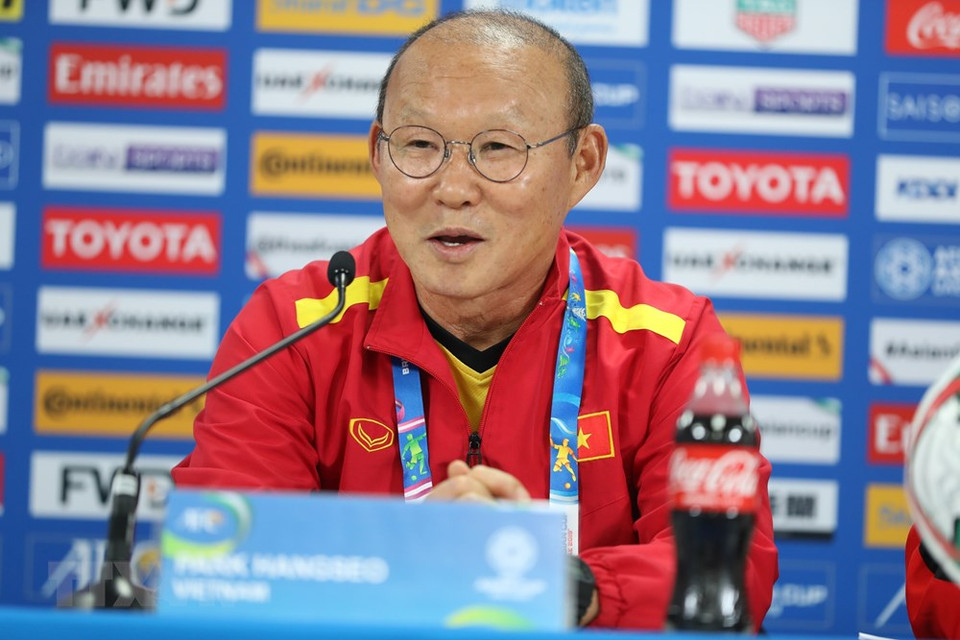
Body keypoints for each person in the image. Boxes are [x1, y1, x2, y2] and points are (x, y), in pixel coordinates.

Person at [173, 9, 778, 629]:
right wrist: (410, 557)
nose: (453, 188)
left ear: (583, 165)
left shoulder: (664, 341)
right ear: (378, 157)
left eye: (497, 148)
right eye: (419, 145)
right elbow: (224, 562)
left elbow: (730, 578)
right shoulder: (294, 329)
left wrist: (556, 582)